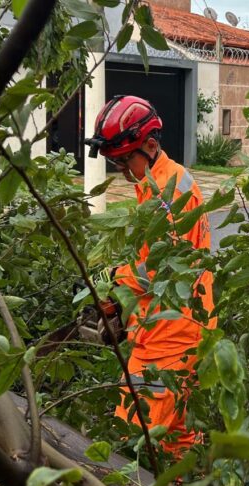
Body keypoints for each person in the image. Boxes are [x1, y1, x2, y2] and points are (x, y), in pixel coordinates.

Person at [85, 95, 215, 456]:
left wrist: (114, 291)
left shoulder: (168, 194)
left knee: (133, 440)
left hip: (168, 338)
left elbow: (156, 267)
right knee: (179, 435)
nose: (123, 172)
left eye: (126, 162)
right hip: (183, 324)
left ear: (151, 146)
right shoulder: (158, 181)